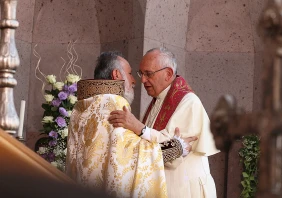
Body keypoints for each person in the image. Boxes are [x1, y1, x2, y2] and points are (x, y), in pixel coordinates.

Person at [66, 51, 196, 198]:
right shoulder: (113, 104)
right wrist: (176, 147)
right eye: (130, 73)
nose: (135, 80)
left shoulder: (83, 107)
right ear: (117, 75)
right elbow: (128, 158)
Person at [108, 47, 220, 198]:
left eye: (148, 74)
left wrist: (138, 127)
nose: (143, 80)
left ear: (168, 74)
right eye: (141, 74)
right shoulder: (156, 101)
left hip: (184, 189)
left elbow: (174, 153)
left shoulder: (189, 102)